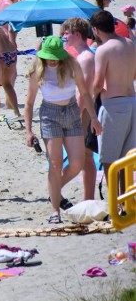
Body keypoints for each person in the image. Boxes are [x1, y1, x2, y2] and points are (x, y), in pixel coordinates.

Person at [24, 36, 101, 224]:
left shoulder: (72, 65)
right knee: (55, 162)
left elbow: (85, 93)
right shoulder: (38, 71)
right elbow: (29, 102)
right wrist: (28, 130)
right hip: (49, 114)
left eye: (56, 56)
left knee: (77, 161)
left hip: (72, 111)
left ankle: (54, 192)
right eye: (50, 56)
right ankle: (54, 210)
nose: (53, 60)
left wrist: (93, 118)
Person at [90, 10, 136, 199]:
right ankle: (127, 202)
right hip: (132, 101)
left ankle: (115, 204)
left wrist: (90, 98)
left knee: (109, 159)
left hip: (113, 105)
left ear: (95, 30)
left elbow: (99, 83)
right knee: (127, 159)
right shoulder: (131, 44)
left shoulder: (104, 49)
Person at [61, 18, 99, 201]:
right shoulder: (83, 56)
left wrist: (73, 114)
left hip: (83, 111)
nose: (64, 36)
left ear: (77, 34)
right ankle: (88, 198)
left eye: (67, 33)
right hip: (84, 110)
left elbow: (83, 92)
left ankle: (87, 198)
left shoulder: (85, 58)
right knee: (86, 155)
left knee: (84, 155)